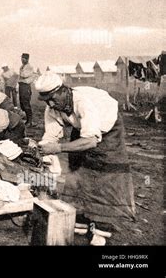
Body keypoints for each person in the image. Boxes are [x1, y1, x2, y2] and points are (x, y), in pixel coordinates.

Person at [35, 71, 135, 241]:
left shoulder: (83, 102)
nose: (51, 103)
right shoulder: (52, 108)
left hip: (107, 128)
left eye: (53, 98)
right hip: (83, 128)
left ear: (63, 90)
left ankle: (101, 229)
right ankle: (80, 218)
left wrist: (58, 148)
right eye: (46, 101)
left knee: (106, 173)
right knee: (76, 169)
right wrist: (43, 152)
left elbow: (90, 142)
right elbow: (50, 137)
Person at [19, 53, 37, 127]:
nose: (22, 60)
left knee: (26, 104)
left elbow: (24, 75)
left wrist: (21, 71)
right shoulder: (22, 66)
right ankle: (27, 120)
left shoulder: (29, 67)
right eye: (21, 59)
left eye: (23, 59)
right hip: (21, 86)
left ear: (27, 59)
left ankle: (30, 121)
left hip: (26, 86)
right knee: (22, 104)